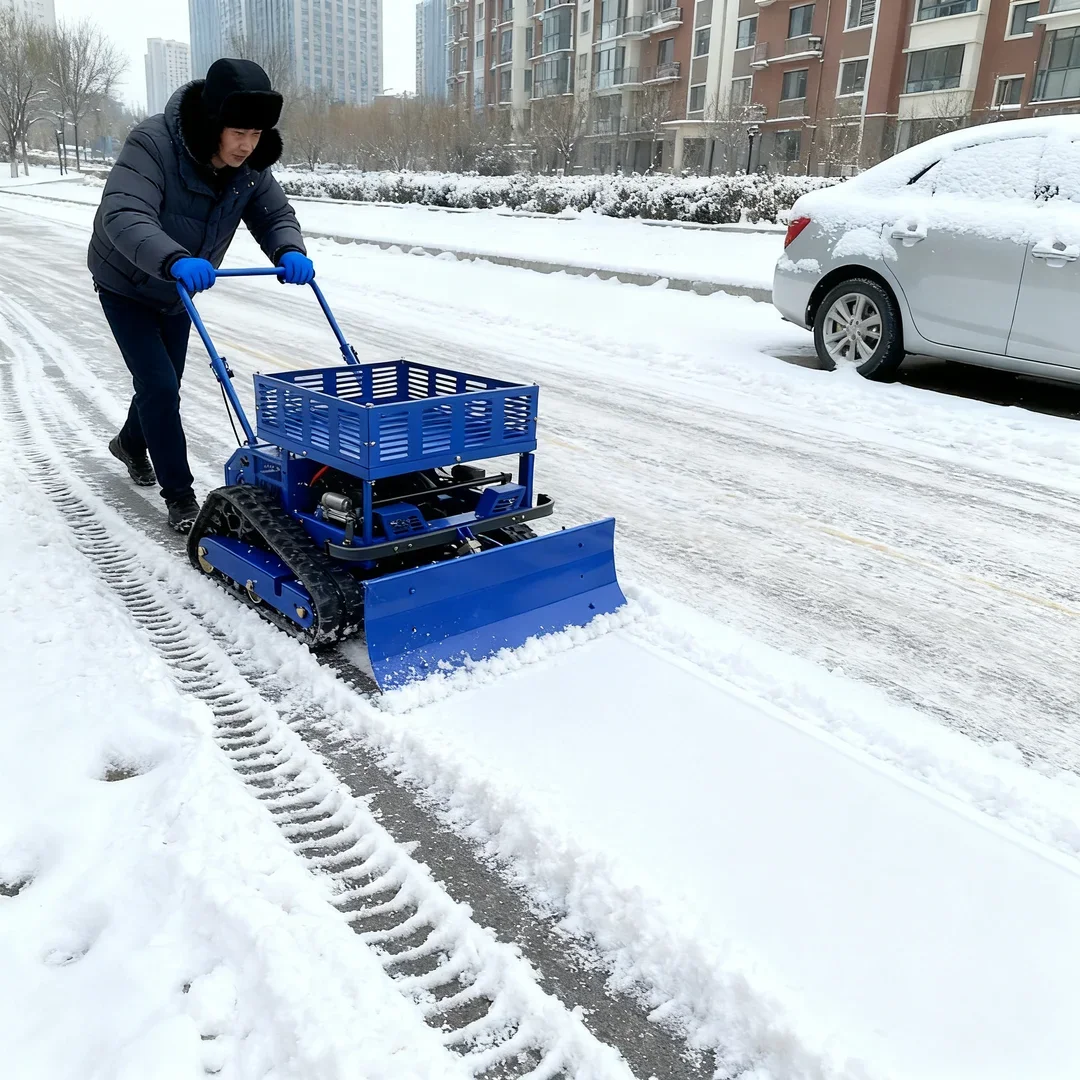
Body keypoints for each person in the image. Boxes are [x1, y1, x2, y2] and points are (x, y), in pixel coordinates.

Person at [88, 58, 315, 534]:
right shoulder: (152, 143)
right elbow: (125, 213)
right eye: (237, 131)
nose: (246, 144)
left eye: (255, 134)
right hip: (127, 280)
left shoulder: (250, 167)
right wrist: (172, 259)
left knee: (161, 381)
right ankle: (180, 495)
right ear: (213, 121)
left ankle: (131, 443)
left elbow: (274, 216)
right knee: (161, 385)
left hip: (179, 289)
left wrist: (289, 249)